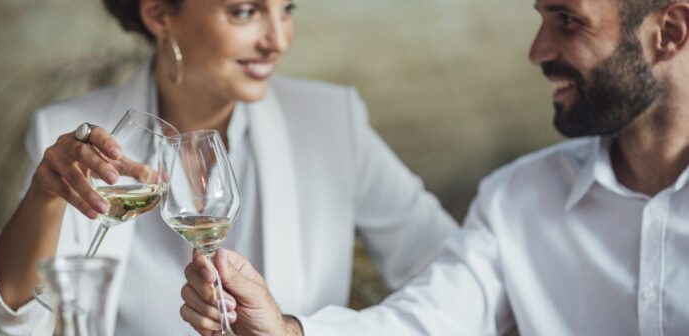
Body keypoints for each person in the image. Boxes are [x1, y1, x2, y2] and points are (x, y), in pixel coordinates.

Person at [182, 0, 689, 334]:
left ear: (670, 32)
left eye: (569, 21)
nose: (537, 51)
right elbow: (427, 322)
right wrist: (287, 331)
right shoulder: (514, 200)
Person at [0, 0, 457, 334]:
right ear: (158, 14)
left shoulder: (332, 121)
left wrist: (296, 334)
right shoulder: (67, 131)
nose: (278, 39)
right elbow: (11, 323)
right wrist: (43, 198)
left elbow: (456, 284)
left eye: (287, 8)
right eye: (245, 11)